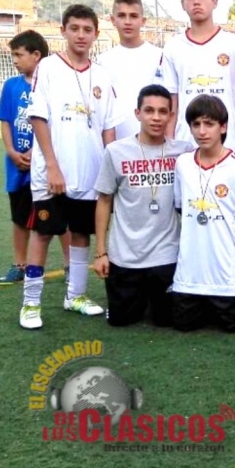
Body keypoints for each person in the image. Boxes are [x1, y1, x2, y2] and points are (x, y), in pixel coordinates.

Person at [20, 4, 121, 330]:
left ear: (96, 34)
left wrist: (108, 170)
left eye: (87, 30)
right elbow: (38, 118)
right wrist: (52, 166)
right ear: (63, 31)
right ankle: (31, 303)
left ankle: (75, 295)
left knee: (81, 233)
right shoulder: (48, 67)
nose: (80, 35)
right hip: (52, 174)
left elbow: (108, 127)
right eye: (74, 28)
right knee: (43, 233)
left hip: (89, 173)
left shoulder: (102, 75)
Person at [171, 94, 235, 332]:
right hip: (189, 279)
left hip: (230, 281)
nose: (202, 131)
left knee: (232, 327)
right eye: (196, 124)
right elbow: (180, 206)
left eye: (209, 124)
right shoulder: (183, 164)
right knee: (182, 326)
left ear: (223, 127)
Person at [94, 85, 192, 326]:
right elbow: (104, 201)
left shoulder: (184, 153)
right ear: (137, 113)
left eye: (162, 111)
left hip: (166, 256)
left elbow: (215, 157)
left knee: (167, 321)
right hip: (125, 257)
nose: (156, 117)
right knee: (121, 321)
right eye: (149, 110)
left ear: (171, 115)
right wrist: (101, 253)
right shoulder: (116, 152)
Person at [0, 30, 69, 284]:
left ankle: (70, 265)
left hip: (46, 165)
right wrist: (11, 151)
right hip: (17, 166)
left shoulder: (54, 85)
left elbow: (55, 124)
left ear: (36, 55)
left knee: (59, 218)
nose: (15, 60)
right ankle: (19, 264)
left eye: (19, 55)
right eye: (13, 55)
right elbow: (5, 121)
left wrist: (36, 151)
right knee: (19, 218)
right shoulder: (11, 86)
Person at [160, 0, 235, 160]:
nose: (196, 2)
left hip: (228, 144)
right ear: (182, 4)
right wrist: (169, 143)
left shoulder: (234, 44)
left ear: (214, 1)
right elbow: (171, 101)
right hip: (186, 144)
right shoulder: (173, 47)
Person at [98, 0, 162, 140]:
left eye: (133, 16)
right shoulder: (102, 61)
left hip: (154, 143)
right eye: (122, 16)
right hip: (117, 143)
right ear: (113, 20)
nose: (127, 22)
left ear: (143, 21)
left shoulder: (160, 56)